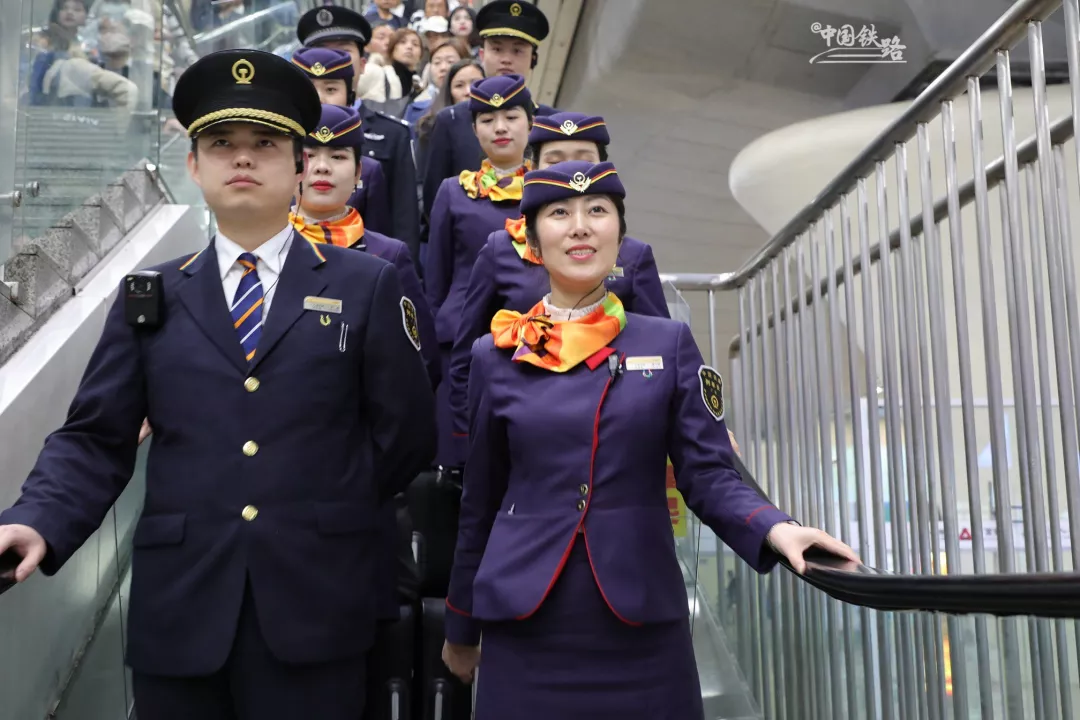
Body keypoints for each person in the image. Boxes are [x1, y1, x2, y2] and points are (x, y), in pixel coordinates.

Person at [0, 49, 436, 719]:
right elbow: (96, 436)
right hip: (181, 609)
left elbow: (405, 433)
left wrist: (323, 503)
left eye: (264, 143)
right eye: (220, 143)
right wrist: (37, 520)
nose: (241, 158)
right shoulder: (154, 296)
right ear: (193, 166)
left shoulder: (364, 286)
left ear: (297, 166)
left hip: (316, 607)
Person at [439, 161, 859, 719]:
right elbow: (482, 499)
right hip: (526, 616)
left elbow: (706, 473)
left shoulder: (668, 344)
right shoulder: (497, 355)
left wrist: (774, 527)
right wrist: (461, 623)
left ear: (620, 233)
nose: (581, 226)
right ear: (534, 242)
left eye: (598, 211)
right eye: (560, 214)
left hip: (638, 615)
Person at [446, 111, 671, 443]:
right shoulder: (499, 249)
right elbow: (469, 351)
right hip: (526, 423)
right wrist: (472, 432)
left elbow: (660, 348)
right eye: (555, 161)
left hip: (615, 423)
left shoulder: (632, 254)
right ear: (532, 170)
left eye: (584, 160)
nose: (571, 171)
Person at [424, 73, 532, 469]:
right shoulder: (453, 190)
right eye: (487, 119)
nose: (500, 127)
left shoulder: (548, 191)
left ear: (531, 123)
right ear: (473, 130)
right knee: (464, 464)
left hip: (535, 338)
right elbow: (436, 279)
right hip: (463, 345)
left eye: (511, 116)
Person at [291, 102, 438, 388]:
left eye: (337, 156)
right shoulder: (263, 247)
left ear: (359, 173)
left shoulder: (387, 255)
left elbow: (423, 360)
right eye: (308, 156)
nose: (322, 168)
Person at [297, 5, 421, 261]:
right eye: (319, 51)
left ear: (362, 63)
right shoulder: (285, 136)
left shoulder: (393, 134)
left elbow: (403, 225)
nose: (327, 61)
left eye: (342, 51)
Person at [421, 0, 556, 226]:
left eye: (517, 50)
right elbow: (433, 204)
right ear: (481, 54)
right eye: (497, 48)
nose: (506, 58)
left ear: (534, 58)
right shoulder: (451, 119)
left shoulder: (553, 122)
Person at [291, 46, 393, 239]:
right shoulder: (272, 164)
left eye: (330, 89)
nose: (318, 98)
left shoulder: (370, 170)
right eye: (309, 156)